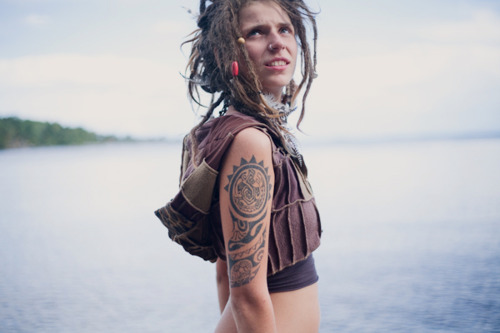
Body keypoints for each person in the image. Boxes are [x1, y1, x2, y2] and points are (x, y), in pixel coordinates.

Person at [158, 0, 322, 332]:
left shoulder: (249, 132)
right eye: (257, 32)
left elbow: (224, 274)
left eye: (284, 29)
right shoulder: (251, 142)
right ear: (227, 52)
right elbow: (245, 295)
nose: (277, 42)